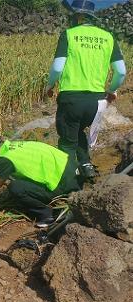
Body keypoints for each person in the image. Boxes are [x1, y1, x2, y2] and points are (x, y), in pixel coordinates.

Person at [45, 0, 127, 180]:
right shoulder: (108, 37)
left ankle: (66, 181)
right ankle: (86, 165)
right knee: (78, 130)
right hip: (96, 103)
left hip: (72, 99)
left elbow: (58, 68)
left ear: (78, 16)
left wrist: (49, 86)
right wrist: (111, 90)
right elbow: (121, 71)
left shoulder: (69, 34)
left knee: (67, 140)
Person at [0, 133, 80, 228]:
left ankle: (48, 215)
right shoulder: (11, 147)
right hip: (72, 170)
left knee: (16, 187)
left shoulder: (5, 160)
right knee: (15, 179)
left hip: (65, 184)